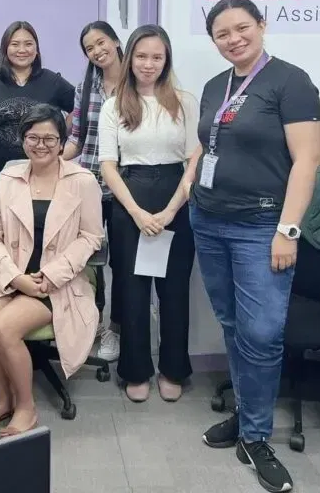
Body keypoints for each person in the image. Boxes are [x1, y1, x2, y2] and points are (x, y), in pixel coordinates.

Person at [188, 0, 320, 493]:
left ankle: (258, 436)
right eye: (222, 33)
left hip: (262, 226)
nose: (233, 39)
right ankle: (247, 420)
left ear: (261, 26)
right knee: (231, 323)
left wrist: (288, 229)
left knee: (262, 332)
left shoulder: (291, 81)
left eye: (242, 28)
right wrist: (187, 192)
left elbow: (307, 160)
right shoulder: (214, 86)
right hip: (208, 219)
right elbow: (206, 146)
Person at [0, 104, 103, 437]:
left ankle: (26, 407)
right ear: (23, 140)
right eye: (32, 137)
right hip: (13, 276)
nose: (41, 145)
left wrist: (52, 274)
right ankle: (4, 398)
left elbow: (91, 237)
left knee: (4, 327)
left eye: (50, 138)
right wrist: (14, 277)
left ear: (62, 142)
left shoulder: (82, 181)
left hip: (56, 282)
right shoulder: (8, 178)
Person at [98, 24, 198, 404]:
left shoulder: (185, 101)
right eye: (141, 56)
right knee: (133, 291)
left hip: (177, 195)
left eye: (157, 56)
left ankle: (173, 368)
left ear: (166, 59)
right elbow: (109, 166)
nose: (148, 64)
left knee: (174, 291)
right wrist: (138, 212)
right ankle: (135, 370)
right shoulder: (114, 104)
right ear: (130, 59)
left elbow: (194, 158)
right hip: (129, 198)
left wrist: (173, 207)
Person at [63, 21, 124, 363]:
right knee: (87, 258)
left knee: (121, 263)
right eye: (90, 48)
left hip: (125, 186)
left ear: (115, 41)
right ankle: (89, 321)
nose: (98, 51)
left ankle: (114, 328)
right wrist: (54, 160)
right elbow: (77, 137)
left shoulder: (138, 80)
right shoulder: (85, 86)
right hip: (88, 185)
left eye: (102, 43)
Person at [0, 21, 75, 210]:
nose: (22, 50)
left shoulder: (52, 81)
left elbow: (81, 106)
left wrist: (62, 132)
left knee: (39, 224)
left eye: (28, 44)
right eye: (15, 44)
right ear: (5, 48)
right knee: (2, 226)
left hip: (41, 169)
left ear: (37, 49)